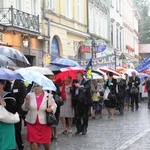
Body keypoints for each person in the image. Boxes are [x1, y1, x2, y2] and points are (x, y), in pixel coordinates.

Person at [22, 83, 57, 150]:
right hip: (32, 122)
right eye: (34, 86)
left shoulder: (48, 96)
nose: (36, 88)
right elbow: (24, 108)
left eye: (38, 86)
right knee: (33, 142)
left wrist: (51, 109)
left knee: (46, 143)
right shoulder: (29, 95)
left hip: (44, 123)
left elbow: (54, 105)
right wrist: (27, 102)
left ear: (42, 87)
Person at [0, 80, 17, 150]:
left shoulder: (8, 96)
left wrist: (4, 104)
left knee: (6, 146)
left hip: (6, 125)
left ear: (3, 84)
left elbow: (13, 110)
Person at [46, 75, 61, 140]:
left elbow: (59, 93)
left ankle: (55, 133)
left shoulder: (55, 85)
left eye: (52, 78)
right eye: (50, 78)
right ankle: (50, 134)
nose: (51, 79)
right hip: (47, 104)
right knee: (49, 119)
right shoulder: (45, 86)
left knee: (55, 119)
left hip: (55, 103)